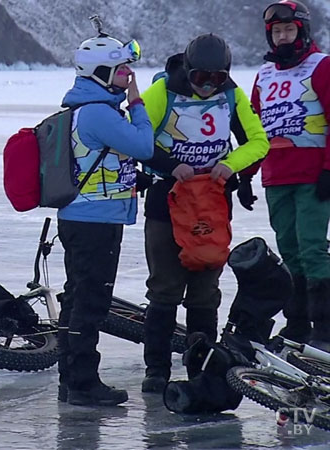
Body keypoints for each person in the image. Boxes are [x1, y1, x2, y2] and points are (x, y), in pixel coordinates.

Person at [138, 34, 269, 393]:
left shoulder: (232, 95)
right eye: (200, 79)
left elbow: (258, 141)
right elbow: (134, 137)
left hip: (211, 203)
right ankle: (157, 369)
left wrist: (231, 165)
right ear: (188, 71)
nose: (209, 87)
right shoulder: (161, 94)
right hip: (168, 201)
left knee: (204, 292)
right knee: (164, 288)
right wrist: (168, 164)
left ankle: (201, 367)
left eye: (217, 79)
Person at [57, 32, 153, 406]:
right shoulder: (98, 112)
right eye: (122, 69)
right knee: (91, 301)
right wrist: (139, 104)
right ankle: (83, 382)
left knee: (77, 296)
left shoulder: (88, 107)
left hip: (82, 216)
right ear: (100, 72)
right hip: (95, 220)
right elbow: (144, 145)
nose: (128, 76)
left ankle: (71, 378)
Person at [249, 0, 330, 351]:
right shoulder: (264, 75)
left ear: (302, 31)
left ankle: (324, 328)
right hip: (276, 174)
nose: (283, 37)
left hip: (313, 174)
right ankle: (297, 322)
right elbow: (254, 129)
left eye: (289, 30)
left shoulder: (322, 66)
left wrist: (329, 168)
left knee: (312, 248)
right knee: (290, 249)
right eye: (276, 32)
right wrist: (244, 174)